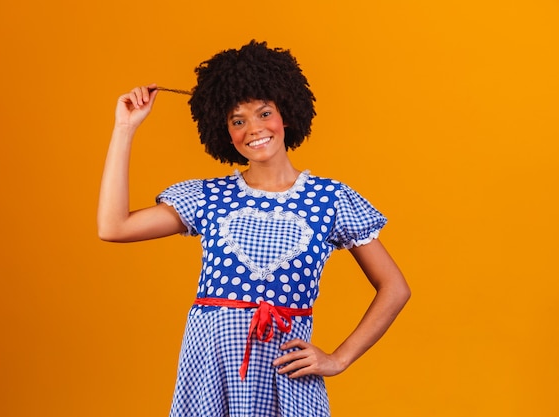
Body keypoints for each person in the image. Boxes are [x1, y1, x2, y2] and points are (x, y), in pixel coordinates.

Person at [98, 40, 410, 417]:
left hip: (285, 373)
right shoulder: (208, 196)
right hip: (211, 372)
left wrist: (339, 359)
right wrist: (124, 128)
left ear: (287, 114)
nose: (254, 129)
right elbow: (113, 226)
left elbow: (395, 288)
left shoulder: (331, 199)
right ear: (224, 131)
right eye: (238, 120)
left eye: (264, 113)